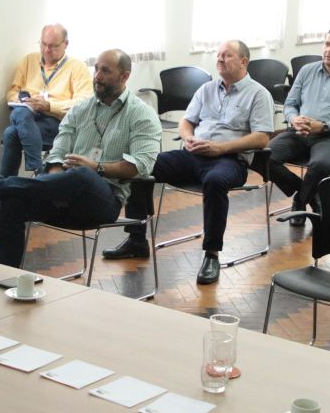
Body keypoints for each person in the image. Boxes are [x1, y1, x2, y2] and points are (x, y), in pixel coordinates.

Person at [0, 50, 161, 268]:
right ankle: (7, 275)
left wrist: (96, 168)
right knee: (12, 202)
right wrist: (54, 178)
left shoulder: (141, 114)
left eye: (105, 71)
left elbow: (140, 166)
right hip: (61, 196)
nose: (97, 76)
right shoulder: (81, 110)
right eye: (96, 68)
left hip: (103, 201)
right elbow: (58, 150)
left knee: (82, 174)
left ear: (124, 76)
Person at [103, 41, 274, 285]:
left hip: (229, 160)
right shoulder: (207, 89)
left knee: (215, 182)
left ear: (244, 61)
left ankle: (211, 254)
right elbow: (186, 122)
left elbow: (261, 137)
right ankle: (136, 240)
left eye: (227, 56)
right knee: (141, 165)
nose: (220, 60)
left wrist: (220, 148)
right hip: (193, 154)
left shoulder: (258, 94)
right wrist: (189, 138)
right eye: (218, 55)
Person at [0, 24, 93, 223]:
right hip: (28, 117)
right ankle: (38, 170)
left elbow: (84, 103)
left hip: (57, 123)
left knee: (11, 134)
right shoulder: (28, 61)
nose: (46, 50)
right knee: (20, 115)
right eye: (43, 44)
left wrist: (49, 105)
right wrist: (22, 99)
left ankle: (1, 198)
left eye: (53, 46)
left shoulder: (77, 67)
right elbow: (12, 90)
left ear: (66, 44)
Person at [266, 28, 330, 213]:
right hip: (299, 133)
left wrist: (324, 127)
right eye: (327, 44)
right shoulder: (307, 71)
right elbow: (290, 105)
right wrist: (294, 118)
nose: (329, 50)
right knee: (264, 157)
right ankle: (308, 194)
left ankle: (299, 202)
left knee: (321, 165)